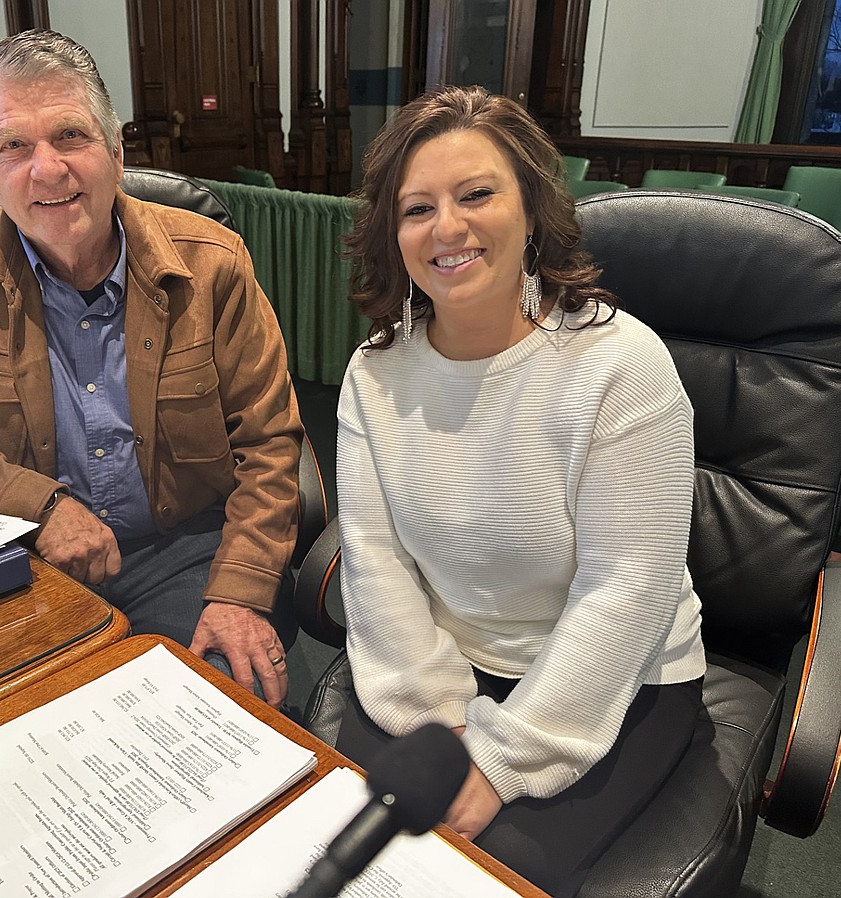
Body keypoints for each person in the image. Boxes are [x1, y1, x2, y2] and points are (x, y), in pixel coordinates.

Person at [0, 30, 302, 707]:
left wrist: (239, 590)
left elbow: (268, 444)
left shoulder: (213, 265)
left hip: (181, 551)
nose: (48, 169)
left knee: (203, 722)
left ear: (115, 152)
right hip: (23, 558)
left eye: (70, 136)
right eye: (14, 146)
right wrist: (40, 504)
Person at [334, 85, 706, 897]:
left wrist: (501, 760)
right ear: (391, 234)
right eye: (417, 208)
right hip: (446, 666)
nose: (448, 229)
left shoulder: (621, 367)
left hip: (617, 677)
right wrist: (442, 727)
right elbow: (373, 558)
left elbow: (628, 589)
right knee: (346, 836)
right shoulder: (374, 374)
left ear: (531, 211)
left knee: (485, 875)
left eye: (477, 195)